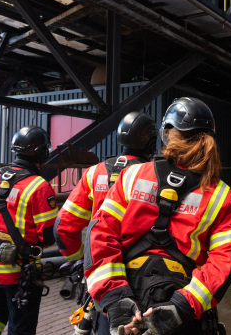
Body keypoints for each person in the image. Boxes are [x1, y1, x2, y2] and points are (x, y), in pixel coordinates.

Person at [84, 97, 231, 335]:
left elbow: (99, 233)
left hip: (124, 307)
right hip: (179, 314)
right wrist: (181, 308)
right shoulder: (224, 197)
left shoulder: (131, 177)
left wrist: (114, 297)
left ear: (166, 134)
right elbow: (223, 263)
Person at [54, 112, 157, 334]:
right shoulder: (153, 177)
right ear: (150, 141)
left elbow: (63, 228)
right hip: (144, 279)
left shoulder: (95, 173)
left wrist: (84, 261)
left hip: (103, 277)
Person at [0, 125, 57, 335]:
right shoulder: (39, 186)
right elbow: (47, 237)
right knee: (21, 327)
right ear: (43, 152)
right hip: (20, 274)